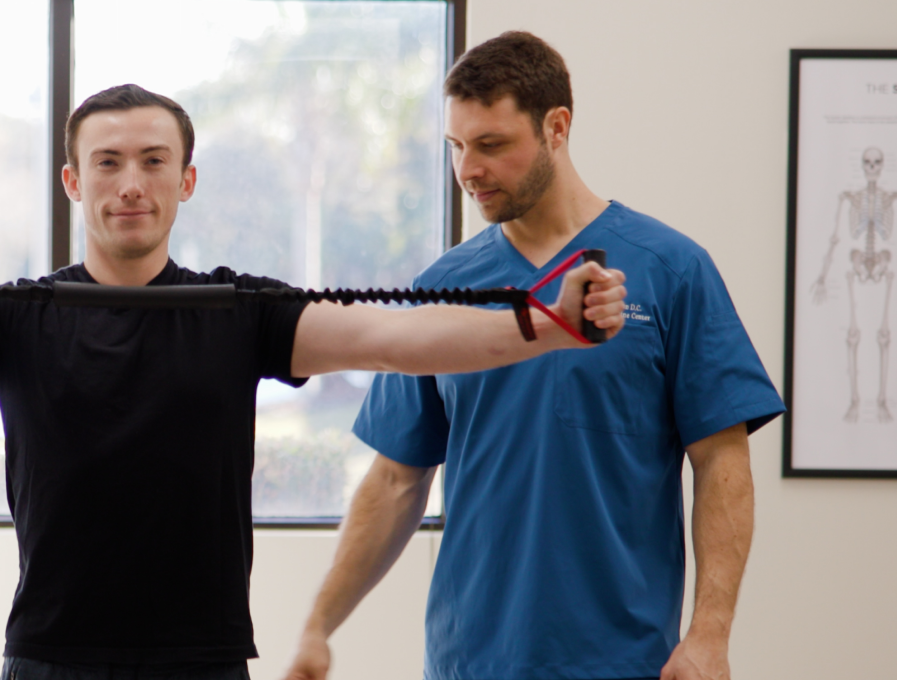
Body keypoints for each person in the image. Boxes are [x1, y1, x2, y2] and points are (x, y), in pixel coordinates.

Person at [0, 84, 627, 680]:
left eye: (154, 161)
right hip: (49, 657)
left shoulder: (238, 309)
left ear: (186, 181)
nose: (132, 181)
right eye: (109, 162)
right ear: (74, 181)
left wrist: (546, 323)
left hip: (202, 662)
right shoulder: (18, 314)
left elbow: (396, 335)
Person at [282, 32, 785, 680]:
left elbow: (721, 461)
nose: (467, 170)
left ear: (557, 128)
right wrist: (319, 625)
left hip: (625, 660)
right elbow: (395, 479)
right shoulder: (443, 288)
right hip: (470, 660)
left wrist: (710, 634)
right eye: (456, 147)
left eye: (491, 145)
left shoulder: (672, 270)